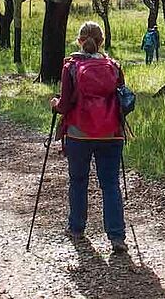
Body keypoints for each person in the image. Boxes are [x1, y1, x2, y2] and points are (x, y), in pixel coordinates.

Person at [51, 21, 129, 254]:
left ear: (79, 40)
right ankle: (117, 236)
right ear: (101, 41)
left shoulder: (71, 66)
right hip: (111, 134)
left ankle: (77, 228)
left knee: (78, 181)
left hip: (79, 133)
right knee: (111, 184)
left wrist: (54, 104)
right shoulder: (114, 65)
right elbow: (122, 98)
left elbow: (64, 105)